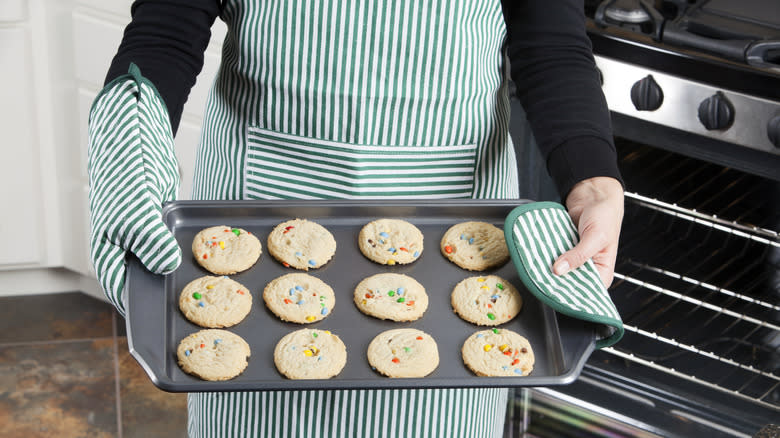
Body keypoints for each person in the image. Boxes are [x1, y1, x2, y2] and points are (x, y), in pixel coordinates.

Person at [87, 0, 625, 436]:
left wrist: (595, 180)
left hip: (452, 209)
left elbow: (552, 46)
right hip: (261, 199)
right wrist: (126, 149)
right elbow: (166, 28)